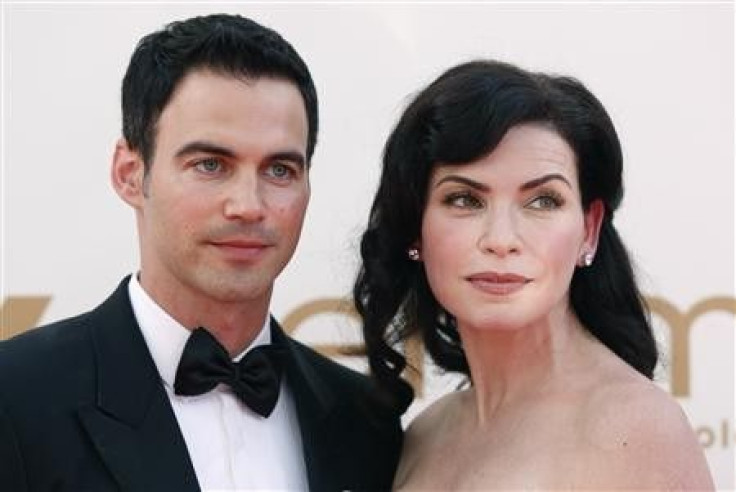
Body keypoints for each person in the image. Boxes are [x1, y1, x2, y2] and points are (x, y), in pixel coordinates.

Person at [0, 13, 405, 491]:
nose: (248, 206)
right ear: (130, 173)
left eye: (279, 170)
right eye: (210, 164)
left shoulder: (364, 421)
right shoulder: (16, 397)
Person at [354, 60, 714, 490]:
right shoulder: (427, 434)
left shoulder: (634, 428)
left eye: (543, 201)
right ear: (415, 226)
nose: (501, 239)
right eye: (465, 199)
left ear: (589, 230)